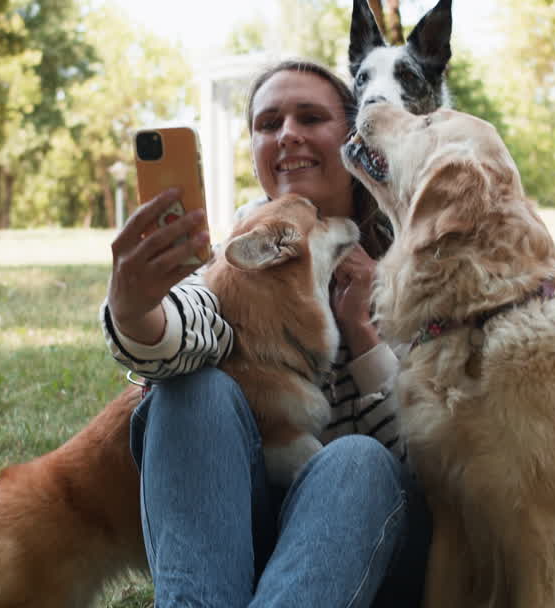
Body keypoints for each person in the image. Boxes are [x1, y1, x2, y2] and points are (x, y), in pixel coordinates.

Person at [100, 58, 430, 607]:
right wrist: (137, 311)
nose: (288, 135)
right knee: (191, 389)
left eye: (311, 117)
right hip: (245, 549)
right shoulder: (243, 252)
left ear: (353, 136)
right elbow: (183, 325)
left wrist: (366, 339)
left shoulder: (416, 258)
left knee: (357, 459)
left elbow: (432, 462)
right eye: (268, 123)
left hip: (375, 541)